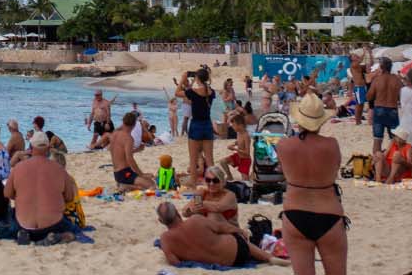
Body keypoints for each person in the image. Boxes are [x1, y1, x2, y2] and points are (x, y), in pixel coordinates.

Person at [277, 93, 346, 275]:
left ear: (298, 120)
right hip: (328, 211)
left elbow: (282, 172)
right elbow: (335, 169)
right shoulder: (331, 145)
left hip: (295, 212)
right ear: (321, 121)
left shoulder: (284, 146)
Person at [155, 201, 288, 268]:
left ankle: (268, 257)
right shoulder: (196, 220)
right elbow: (222, 228)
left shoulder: (165, 239)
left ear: (161, 221)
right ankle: (268, 258)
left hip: (225, 262)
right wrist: (239, 230)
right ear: (178, 213)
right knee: (242, 240)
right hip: (237, 250)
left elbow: (174, 262)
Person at [4, 133, 77, 244]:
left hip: (24, 224)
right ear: (48, 148)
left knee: (12, 219)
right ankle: (53, 237)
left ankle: (24, 234)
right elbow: (69, 197)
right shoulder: (59, 169)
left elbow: (7, 194)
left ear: (31, 148)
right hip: (53, 224)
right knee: (71, 230)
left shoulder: (18, 168)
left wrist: (22, 197)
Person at [179, 68, 216, 179]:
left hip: (196, 124)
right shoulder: (211, 92)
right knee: (210, 160)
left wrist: (182, 79)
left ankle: (194, 183)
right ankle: (213, 180)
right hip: (207, 124)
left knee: (193, 158)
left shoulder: (194, 92)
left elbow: (177, 93)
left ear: (197, 78)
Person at [367, 56, 401, 158]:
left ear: (381, 67)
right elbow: (401, 97)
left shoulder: (377, 80)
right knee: (395, 141)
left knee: (377, 140)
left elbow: (369, 96)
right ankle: (391, 162)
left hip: (379, 109)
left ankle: (377, 164)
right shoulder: (396, 80)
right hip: (392, 110)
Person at [109, 112, 153, 191]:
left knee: (148, 181)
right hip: (125, 173)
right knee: (151, 185)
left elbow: (120, 153)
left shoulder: (114, 133)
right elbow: (130, 159)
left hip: (117, 173)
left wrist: (137, 150)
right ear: (134, 124)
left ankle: (123, 184)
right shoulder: (128, 138)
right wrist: (141, 174)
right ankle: (126, 186)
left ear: (123, 121)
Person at [350, 47, 371, 127]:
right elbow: (360, 60)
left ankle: (359, 121)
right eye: (354, 55)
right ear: (351, 58)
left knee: (361, 104)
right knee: (359, 104)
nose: (355, 56)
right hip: (358, 87)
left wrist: (370, 54)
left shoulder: (358, 65)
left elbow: (369, 65)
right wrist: (365, 52)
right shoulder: (353, 64)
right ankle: (357, 121)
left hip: (362, 86)